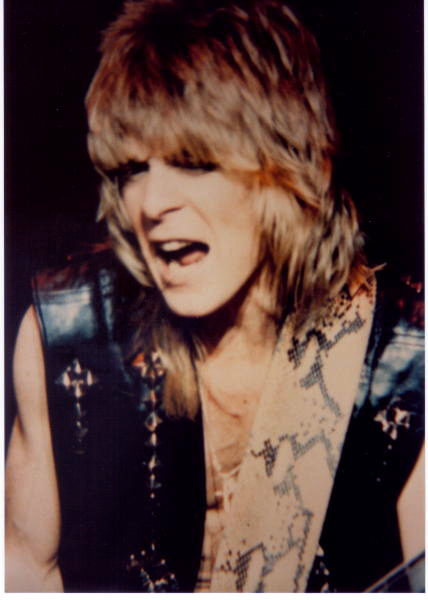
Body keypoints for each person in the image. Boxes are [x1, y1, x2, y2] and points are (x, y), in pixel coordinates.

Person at [5, 0, 424, 592]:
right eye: (132, 170)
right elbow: (25, 568)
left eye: (193, 162)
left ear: (289, 164)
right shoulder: (70, 334)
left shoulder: (406, 361)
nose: (153, 205)